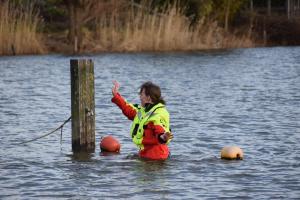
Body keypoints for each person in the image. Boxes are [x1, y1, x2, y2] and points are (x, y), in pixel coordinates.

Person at [111, 80, 173, 160]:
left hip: (156, 157)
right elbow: (128, 109)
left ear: (148, 97)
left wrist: (163, 137)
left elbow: (160, 129)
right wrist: (116, 96)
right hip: (146, 154)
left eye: (141, 94)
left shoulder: (158, 114)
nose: (140, 96)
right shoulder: (143, 111)